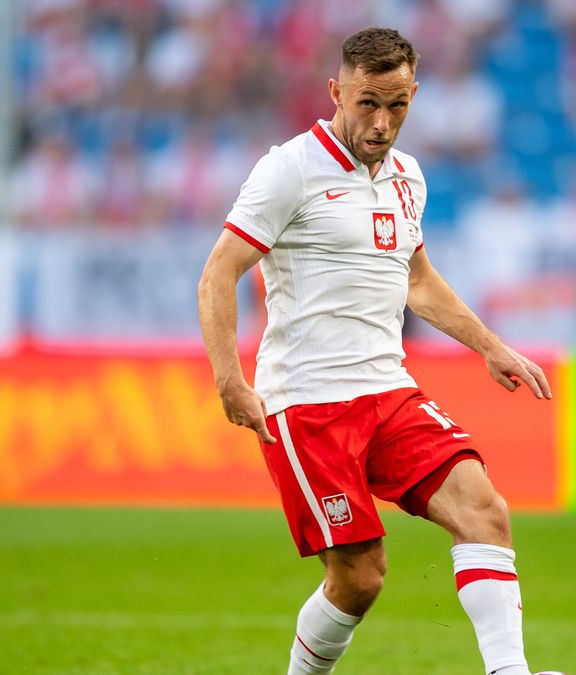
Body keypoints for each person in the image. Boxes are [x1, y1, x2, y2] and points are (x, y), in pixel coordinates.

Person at [196, 28, 556, 675]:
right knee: (361, 578)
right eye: (367, 103)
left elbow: (417, 279)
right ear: (337, 91)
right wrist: (230, 379)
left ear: (414, 94)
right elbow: (219, 273)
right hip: (308, 403)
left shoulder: (408, 178)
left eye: (398, 105)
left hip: (388, 390)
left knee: (486, 511)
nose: (382, 123)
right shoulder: (289, 170)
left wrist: (490, 345)